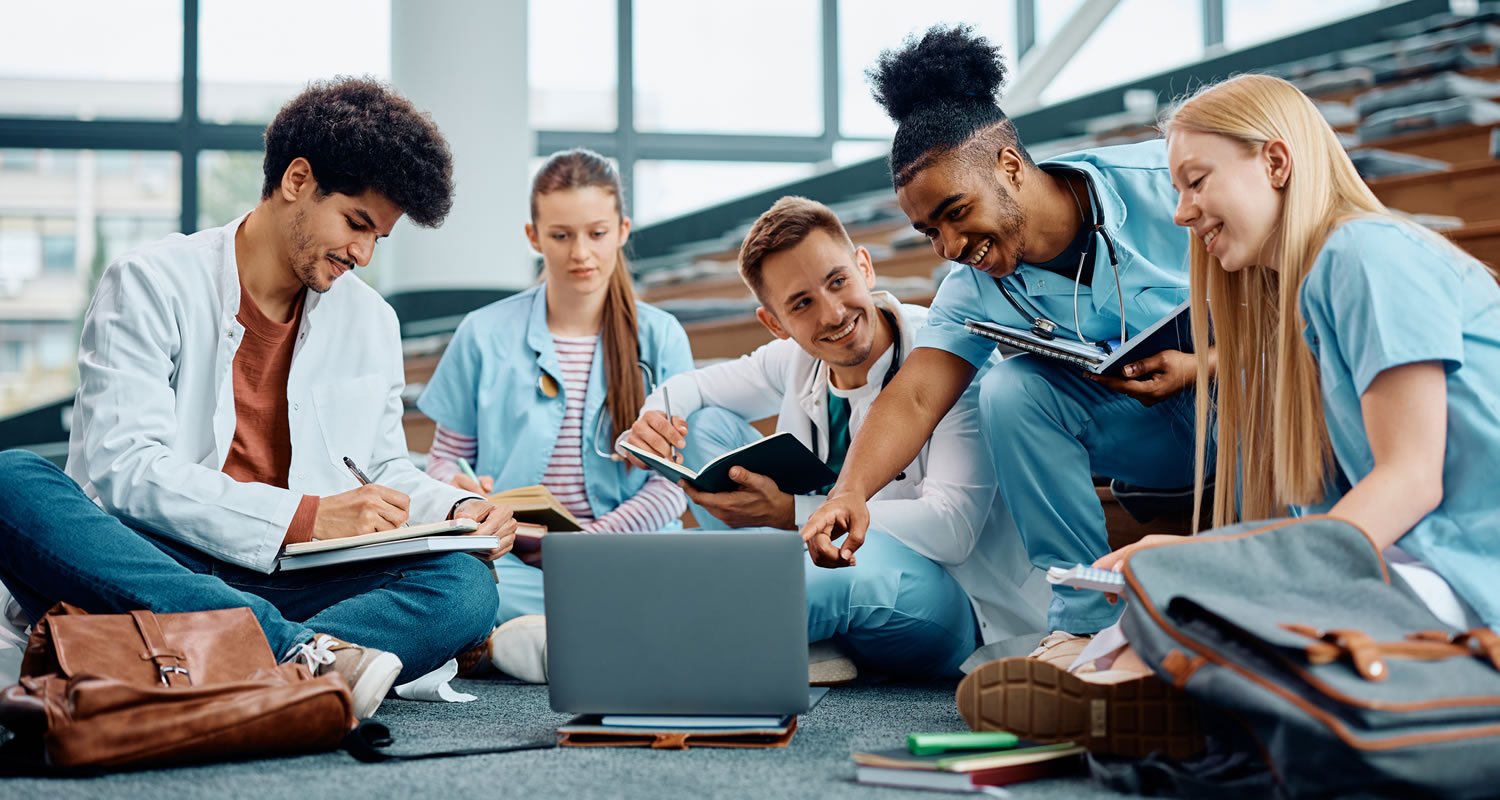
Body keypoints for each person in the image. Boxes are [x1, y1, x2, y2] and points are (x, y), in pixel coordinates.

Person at [960, 73, 1500, 751]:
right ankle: (1146, 693)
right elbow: (1320, 526)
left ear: (1275, 162)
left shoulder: (1365, 254)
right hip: (1420, 569)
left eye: (1196, 180)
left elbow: (1410, 481)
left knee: (1206, 603)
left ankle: (1138, 693)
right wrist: (1195, 551)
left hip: (1472, 578)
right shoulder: (1304, 307)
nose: (1181, 211)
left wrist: (1223, 566)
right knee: (1176, 586)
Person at [0, 78, 515, 720]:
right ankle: (298, 657)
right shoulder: (150, 281)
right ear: (297, 180)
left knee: (464, 587)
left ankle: (235, 661)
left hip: (292, 578)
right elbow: (124, 468)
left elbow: (383, 469)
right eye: (356, 223)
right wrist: (304, 516)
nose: (363, 252)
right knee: (11, 481)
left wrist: (457, 506)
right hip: (153, 558)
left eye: (380, 237)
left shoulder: (371, 320)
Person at [800, 24, 1204, 666]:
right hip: (1154, 452)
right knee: (1015, 389)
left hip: (1254, 413)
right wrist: (848, 493)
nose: (951, 245)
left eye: (956, 212)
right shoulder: (972, 286)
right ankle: (1082, 625)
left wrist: (1204, 365)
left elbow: (1297, 297)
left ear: (1010, 167)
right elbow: (915, 396)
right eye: (929, 230)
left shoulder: (1166, 182)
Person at [621, 197, 1048, 680]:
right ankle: (801, 633)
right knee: (701, 425)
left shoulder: (947, 355)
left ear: (864, 267)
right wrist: (654, 416)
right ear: (775, 323)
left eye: (837, 281)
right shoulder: (794, 358)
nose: (832, 313)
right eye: (801, 303)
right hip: (819, 557)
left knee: (837, 578)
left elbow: (951, 531)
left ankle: (652, 654)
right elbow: (691, 389)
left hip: (954, 599)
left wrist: (793, 513)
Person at [417, 148, 693, 682]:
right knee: (447, 582)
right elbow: (444, 460)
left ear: (622, 229)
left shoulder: (661, 338)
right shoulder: (482, 331)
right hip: (509, 558)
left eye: (596, 233)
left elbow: (671, 487)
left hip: (620, 555)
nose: (580, 253)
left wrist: (588, 547)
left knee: (705, 566)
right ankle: (590, 637)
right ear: (533, 236)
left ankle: (516, 640)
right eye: (561, 235)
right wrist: (461, 492)